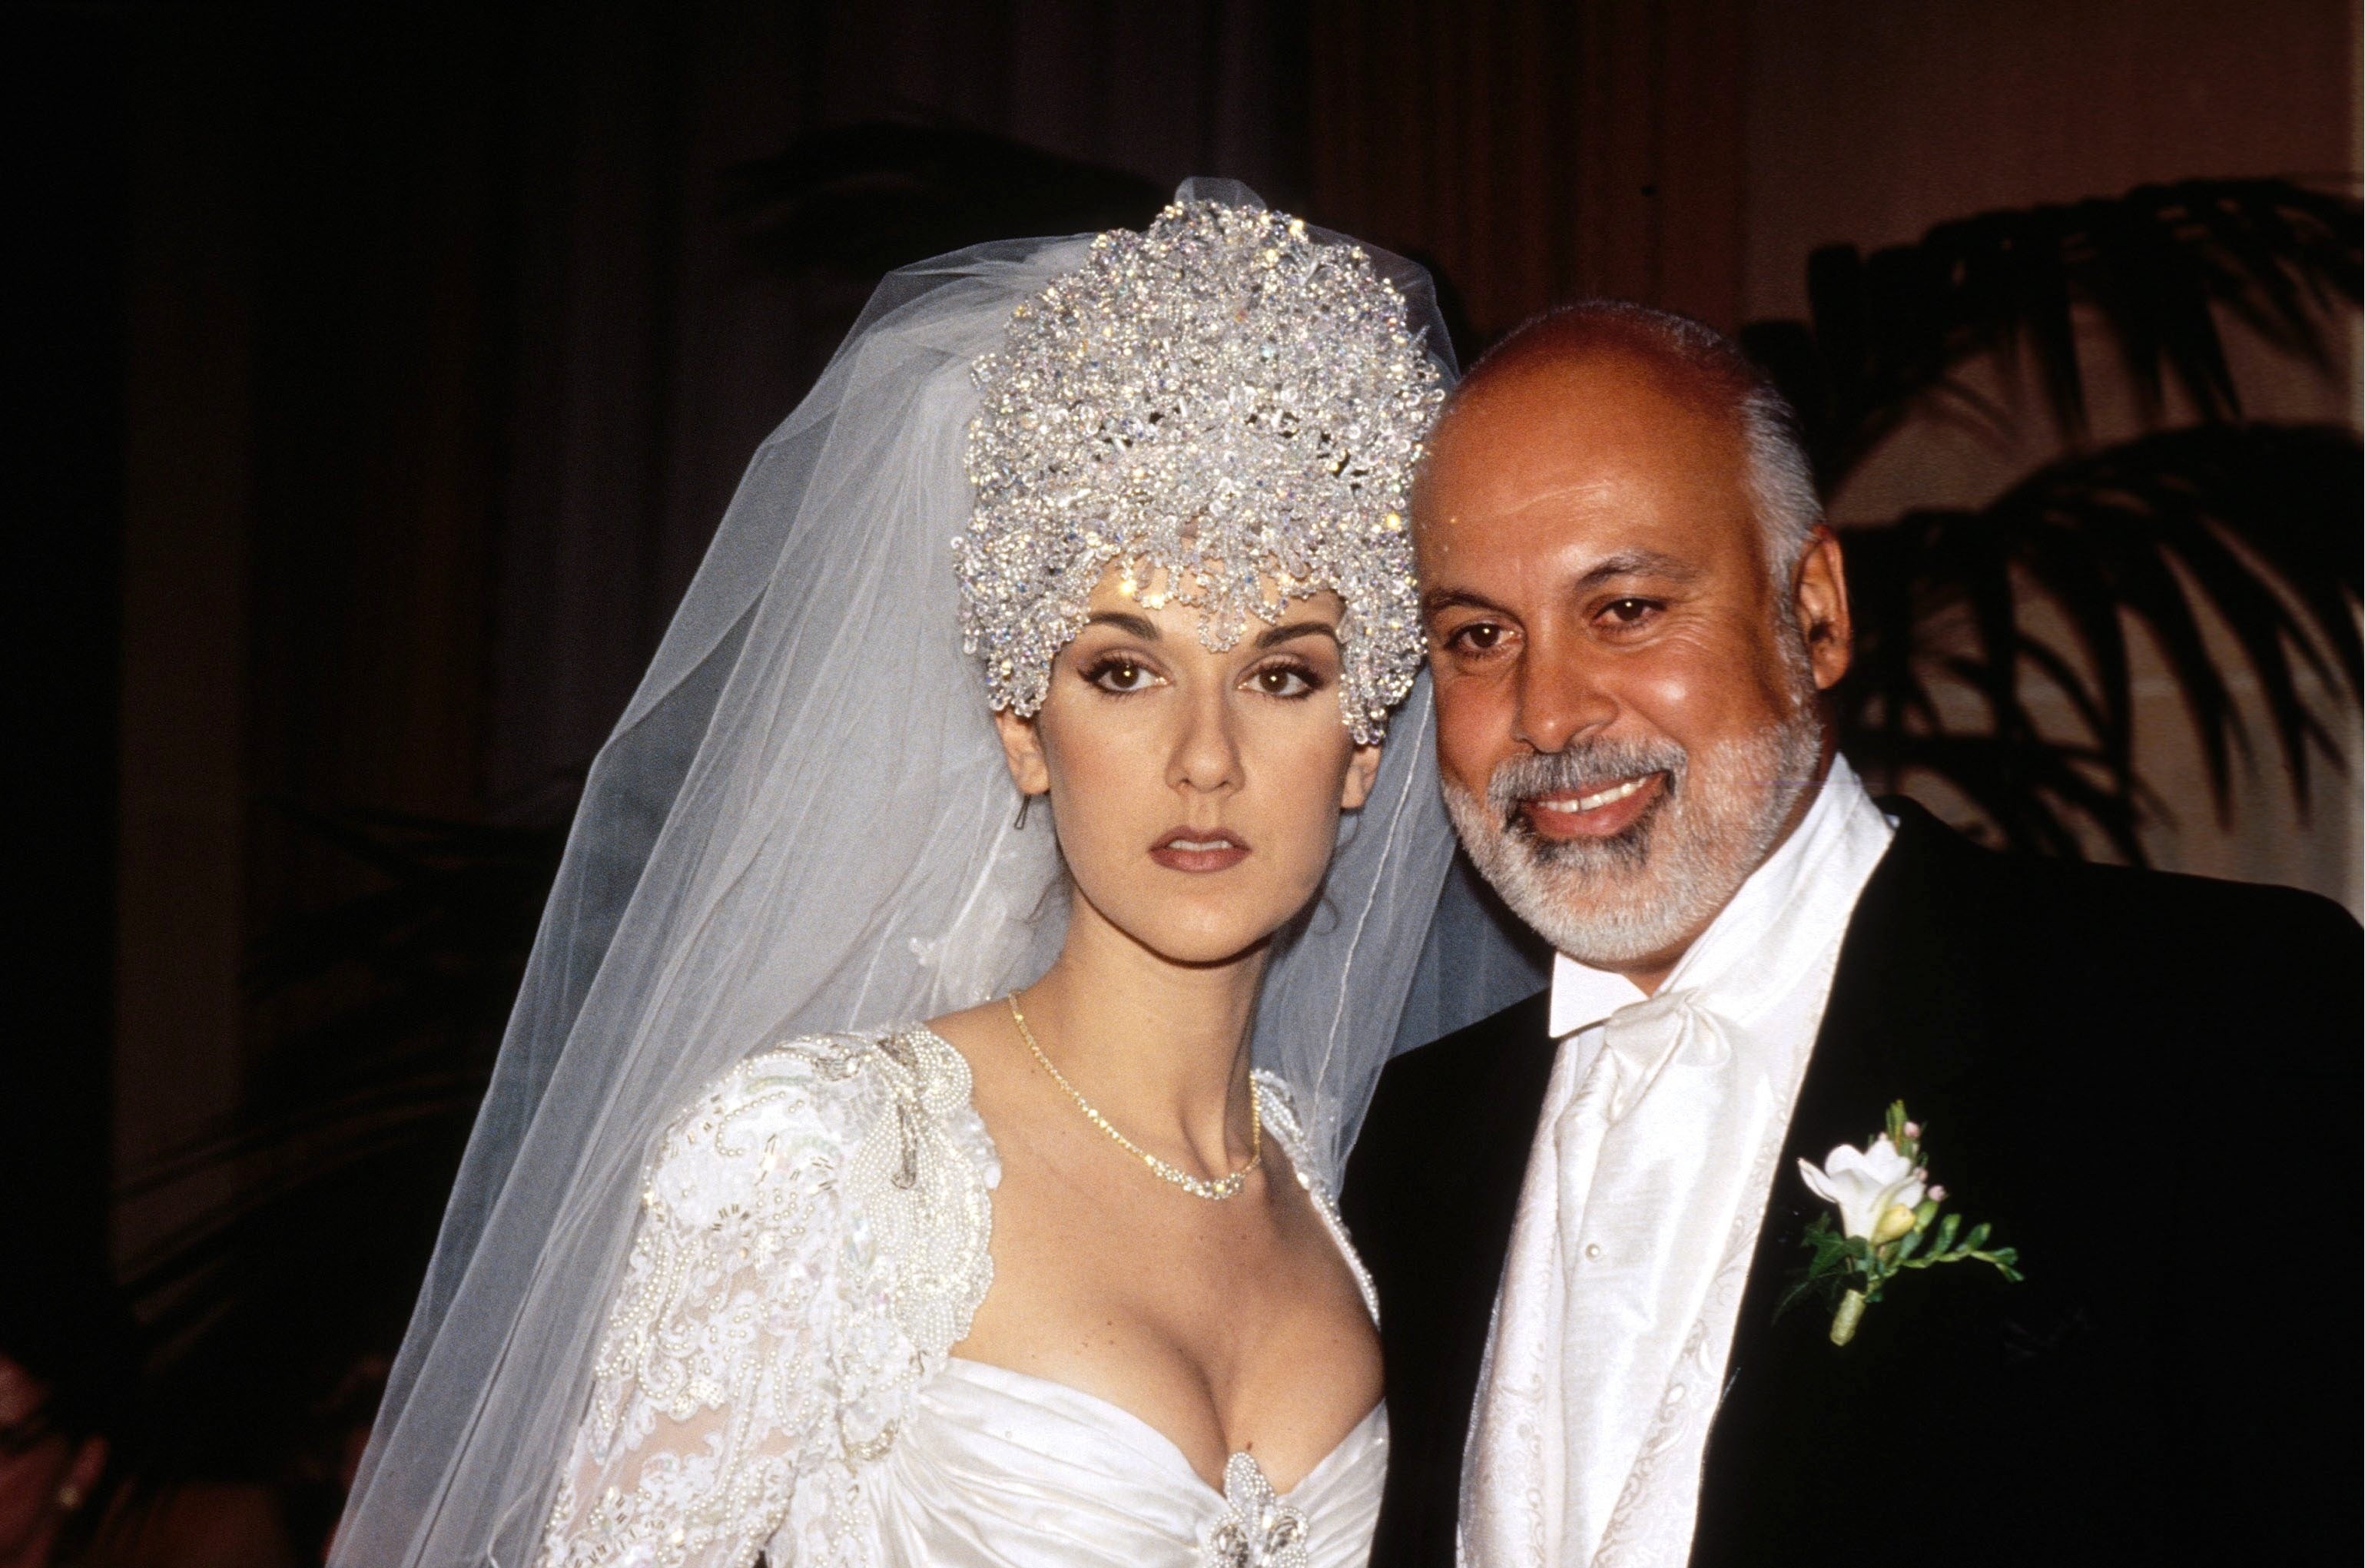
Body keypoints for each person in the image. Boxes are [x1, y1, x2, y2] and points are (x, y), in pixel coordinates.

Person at [332, 184, 1518, 1568]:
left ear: (1363, 741)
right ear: (1026, 725)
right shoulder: (813, 1154)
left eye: (1280, 674)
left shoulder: (1334, 1173)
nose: (1207, 756)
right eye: (1122, 671)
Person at [1341, 302, 2362, 1567]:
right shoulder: (1402, 1145)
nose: (1545, 713)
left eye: (1627, 608)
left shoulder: (2203, 1026)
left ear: (1813, 611)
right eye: (1477, 637)